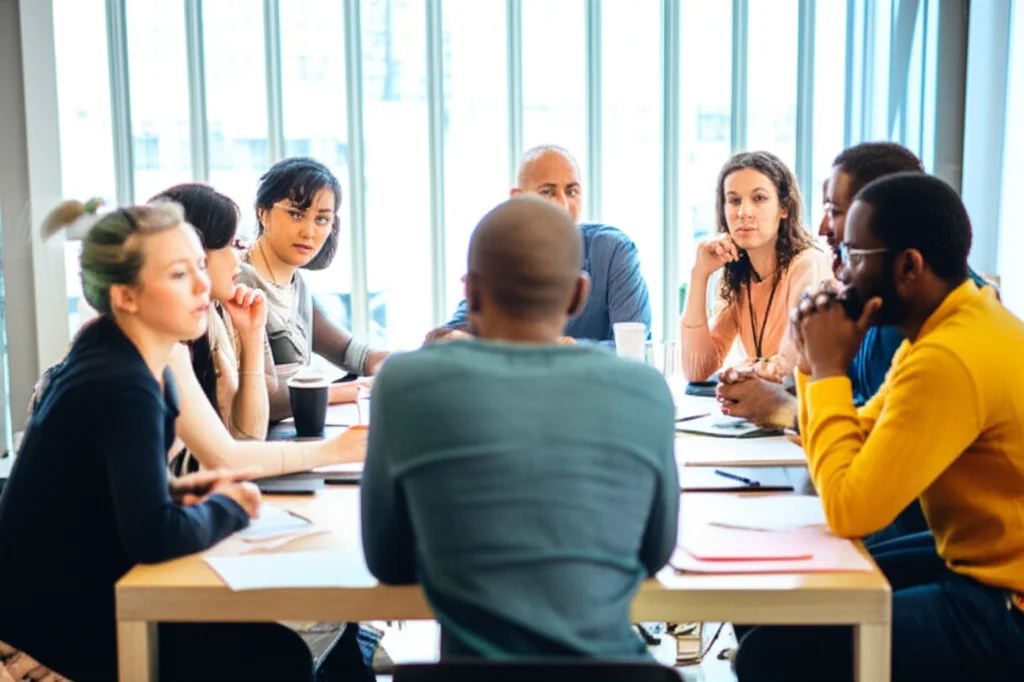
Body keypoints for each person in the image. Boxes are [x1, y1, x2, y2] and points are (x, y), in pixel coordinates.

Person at [0, 201, 320, 682]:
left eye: (198, 265)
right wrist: (234, 506)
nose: (202, 285)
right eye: (177, 274)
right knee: (279, 656)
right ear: (125, 296)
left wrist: (177, 494)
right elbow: (152, 536)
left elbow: (102, 489)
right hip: (59, 623)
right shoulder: (124, 384)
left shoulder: (116, 354)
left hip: (69, 593)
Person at [733, 173, 1024, 681]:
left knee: (769, 653)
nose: (839, 267)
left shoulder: (948, 357)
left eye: (855, 252)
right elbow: (859, 433)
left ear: (908, 266)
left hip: (1005, 603)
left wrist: (827, 371)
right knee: (768, 605)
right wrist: (808, 364)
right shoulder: (949, 325)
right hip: (981, 565)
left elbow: (851, 509)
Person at [362, 196, 678, 658]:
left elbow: (388, 563)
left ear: (469, 292)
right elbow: (654, 554)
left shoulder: (405, 384)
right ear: (578, 294)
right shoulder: (646, 390)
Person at [717, 142, 993, 432]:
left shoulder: (924, 322)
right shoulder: (882, 301)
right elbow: (859, 406)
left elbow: (871, 440)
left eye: (834, 210)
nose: (823, 228)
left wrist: (785, 408)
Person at [427, 144, 652, 344]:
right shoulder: (502, 256)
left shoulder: (613, 251)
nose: (563, 204)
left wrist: (570, 350)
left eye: (571, 191)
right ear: (518, 198)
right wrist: (456, 338)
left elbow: (634, 347)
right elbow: (450, 334)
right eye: (548, 192)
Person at [239, 157, 388, 421]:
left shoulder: (297, 286)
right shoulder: (240, 284)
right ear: (263, 212)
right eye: (296, 214)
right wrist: (356, 388)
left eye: (321, 219)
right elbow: (263, 399)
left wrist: (396, 364)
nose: (309, 232)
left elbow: (351, 353)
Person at [680, 151, 831, 383]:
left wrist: (744, 368)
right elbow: (697, 370)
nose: (743, 212)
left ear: (784, 208)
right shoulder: (739, 278)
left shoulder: (808, 264)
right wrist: (699, 274)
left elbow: (792, 368)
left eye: (759, 198)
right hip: (766, 414)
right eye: (734, 200)